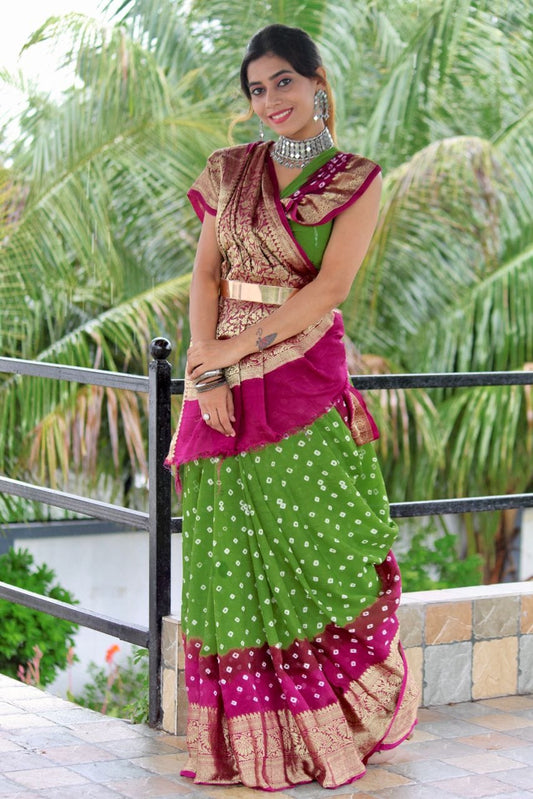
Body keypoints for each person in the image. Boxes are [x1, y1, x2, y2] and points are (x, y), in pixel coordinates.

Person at [165, 23, 419, 791]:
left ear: (316, 82)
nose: (271, 100)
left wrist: (235, 354)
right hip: (219, 378)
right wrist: (206, 371)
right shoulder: (229, 170)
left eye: (283, 81)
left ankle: (329, 729)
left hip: (299, 374)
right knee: (227, 553)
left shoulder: (355, 179)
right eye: (257, 89)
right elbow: (206, 276)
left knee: (313, 548)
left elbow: (330, 288)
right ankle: (249, 746)